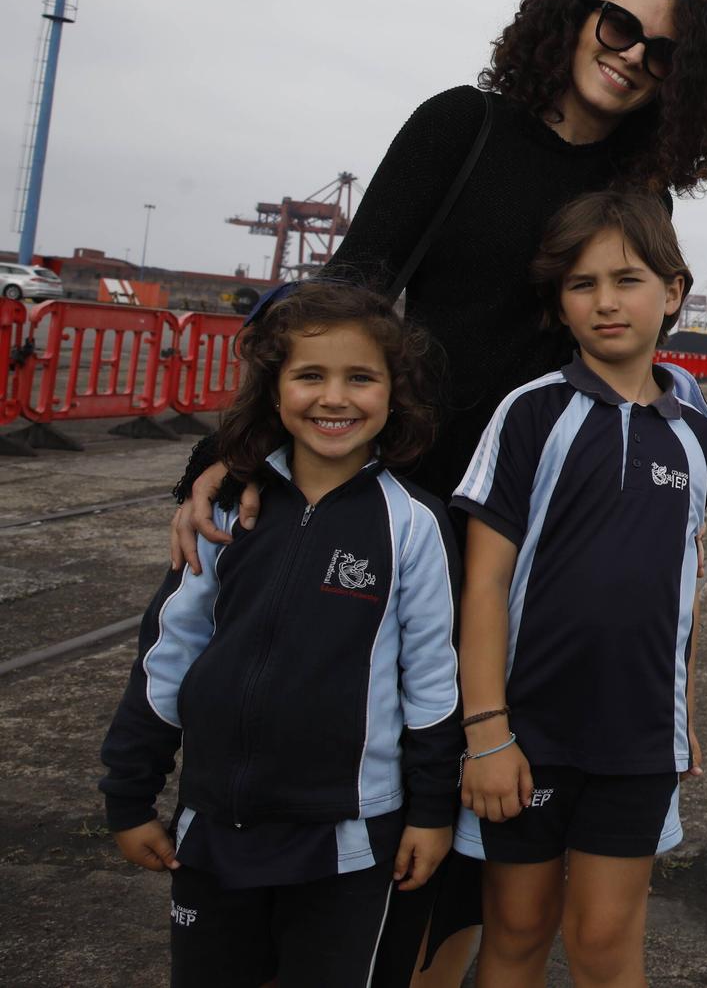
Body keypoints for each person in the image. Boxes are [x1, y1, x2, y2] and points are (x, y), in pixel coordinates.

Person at [166, 0, 707, 983]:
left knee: (477, 862)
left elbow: (623, 355)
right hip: (405, 496)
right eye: (618, 27)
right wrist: (239, 445)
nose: (631, 58)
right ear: (574, 18)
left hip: (526, 521)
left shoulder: (634, 185)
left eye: (662, 54)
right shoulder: (463, 125)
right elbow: (355, 282)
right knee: (387, 788)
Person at [100, 282, 459, 988]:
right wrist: (129, 793)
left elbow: (431, 684)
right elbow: (165, 657)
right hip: (214, 830)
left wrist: (432, 811)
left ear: (395, 392)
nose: (335, 397)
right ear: (273, 390)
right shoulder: (227, 510)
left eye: (361, 377)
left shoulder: (415, 523)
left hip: (349, 843)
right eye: (309, 376)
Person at [453, 192, 707, 988]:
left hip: (637, 735)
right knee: (519, 927)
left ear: (672, 292)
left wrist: (685, 715)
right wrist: (487, 732)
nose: (605, 300)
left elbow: (684, 578)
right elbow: (486, 581)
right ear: (559, 305)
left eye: (627, 278)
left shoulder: (695, 424)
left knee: (604, 938)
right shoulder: (532, 414)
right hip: (527, 732)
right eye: (580, 283)